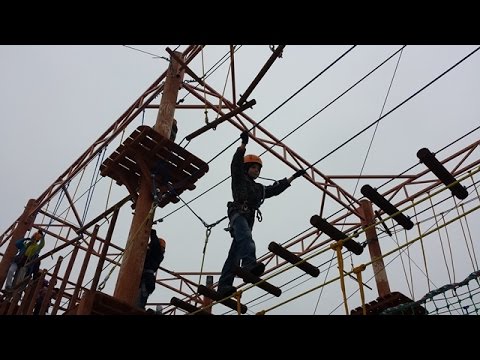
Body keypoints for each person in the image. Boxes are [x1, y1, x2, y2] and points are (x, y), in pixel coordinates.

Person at [217, 130, 306, 297]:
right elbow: (235, 165)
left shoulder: (259, 188)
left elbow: (274, 189)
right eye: (253, 167)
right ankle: (249, 264)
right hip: (237, 213)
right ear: (246, 168)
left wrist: (292, 178)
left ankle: (224, 285)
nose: (257, 171)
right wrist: (242, 146)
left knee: (235, 253)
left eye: (258, 168)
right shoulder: (239, 178)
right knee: (246, 239)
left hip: (249, 218)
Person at [137, 229, 166, 309]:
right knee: (141, 299)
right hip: (148, 279)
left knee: (138, 299)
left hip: (146, 279)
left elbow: (155, 243)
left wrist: (152, 231)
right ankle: (140, 308)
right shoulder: (158, 255)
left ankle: (139, 308)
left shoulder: (156, 251)